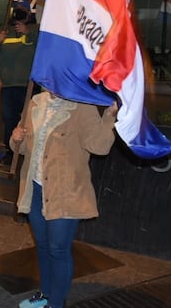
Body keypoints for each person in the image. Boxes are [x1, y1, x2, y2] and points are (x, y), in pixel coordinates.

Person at [11, 91, 118, 308]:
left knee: (58, 249)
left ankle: (56, 303)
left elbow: (100, 146)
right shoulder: (35, 102)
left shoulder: (81, 106)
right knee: (42, 246)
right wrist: (16, 139)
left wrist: (109, 117)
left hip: (65, 191)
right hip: (35, 188)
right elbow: (24, 148)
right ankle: (46, 295)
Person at [0, 0, 38, 167]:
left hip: (28, 86)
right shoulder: (6, 31)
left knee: (29, 121)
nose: (18, 12)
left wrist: (28, 32)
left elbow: (43, 48)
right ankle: (11, 154)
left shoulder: (36, 30)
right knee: (10, 120)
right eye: (16, 9)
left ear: (29, 13)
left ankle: (29, 154)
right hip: (9, 86)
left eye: (22, 10)